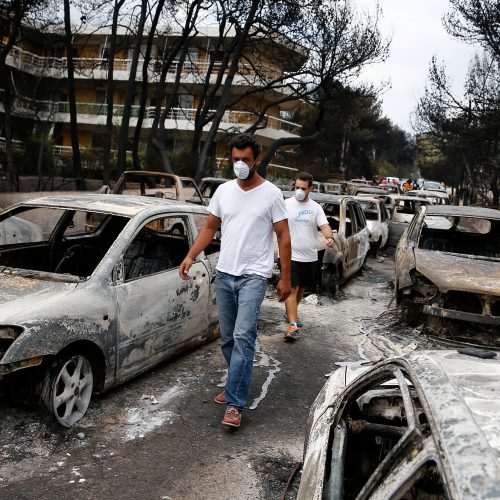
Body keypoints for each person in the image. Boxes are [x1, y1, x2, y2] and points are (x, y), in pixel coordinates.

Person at [179, 133, 291, 428]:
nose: (239, 164)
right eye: (235, 159)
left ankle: (235, 403)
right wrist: (191, 255)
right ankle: (235, 384)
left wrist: (285, 277)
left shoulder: (272, 194)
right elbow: (210, 228)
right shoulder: (224, 191)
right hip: (225, 272)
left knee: (244, 337)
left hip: (254, 275)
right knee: (228, 338)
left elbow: (283, 236)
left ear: (256, 159)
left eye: (245, 159)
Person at [284, 172, 334, 340]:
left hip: (309, 256)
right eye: (297, 187)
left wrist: (329, 237)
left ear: (310, 189)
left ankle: (292, 313)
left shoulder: (315, 207)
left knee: (301, 290)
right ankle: (292, 325)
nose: (299, 191)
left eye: (303, 188)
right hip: (290, 255)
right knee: (292, 288)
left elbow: (324, 225)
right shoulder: (286, 204)